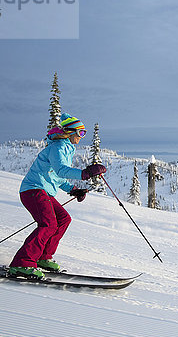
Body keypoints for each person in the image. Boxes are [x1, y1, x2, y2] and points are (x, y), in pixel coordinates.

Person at [8, 113, 107, 279]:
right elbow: (62, 170)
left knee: (63, 219)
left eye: (84, 133)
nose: (82, 137)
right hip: (33, 190)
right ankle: (22, 263)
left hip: (43, 191)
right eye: (81, 133)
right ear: (71, 132)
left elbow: (57, 176)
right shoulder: (58, 147)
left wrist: (73, 189)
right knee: (48, 224)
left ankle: (43, 257)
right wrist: (85, 173)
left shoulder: (66, 148)